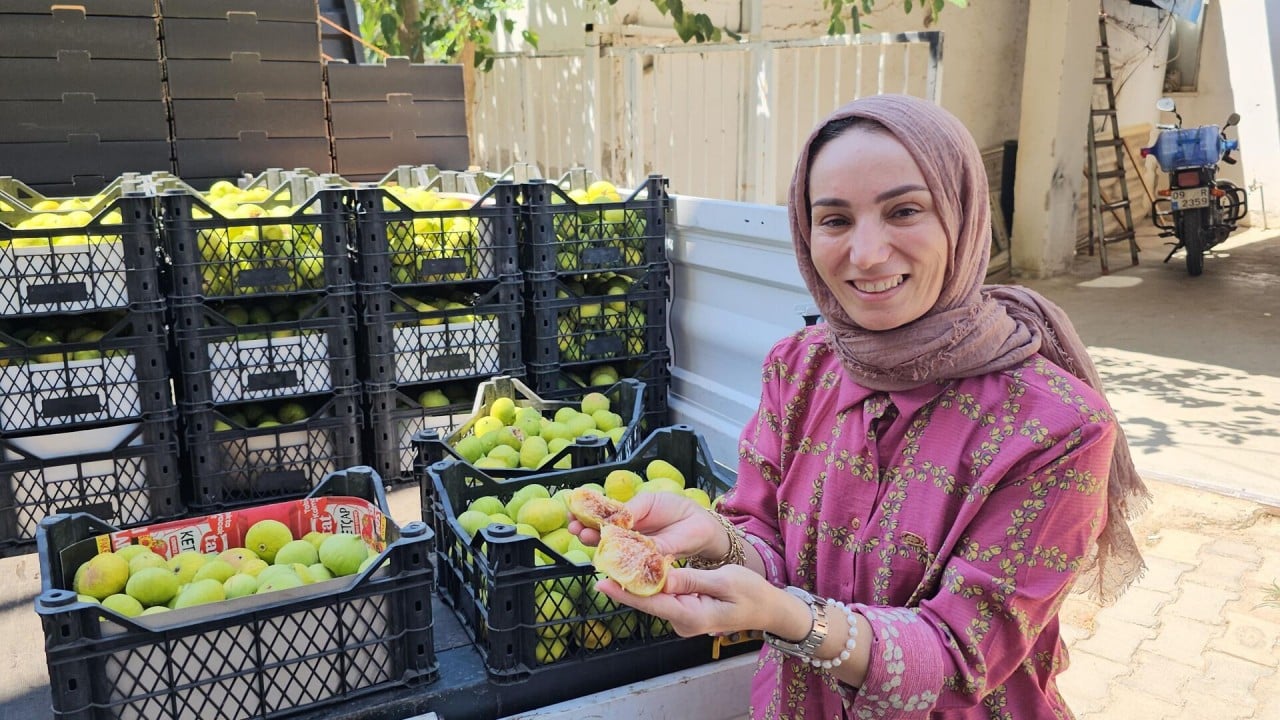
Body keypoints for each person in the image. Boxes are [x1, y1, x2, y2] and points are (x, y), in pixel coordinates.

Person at [570, 94, 1151, 718]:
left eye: (904, 210)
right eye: (836, 220)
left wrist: (789, 618)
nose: (867, 253)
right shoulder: (799, 367)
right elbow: (764, 539)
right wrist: (715, 538)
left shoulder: (1059, 426)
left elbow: (961, 659)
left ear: (963, 214)